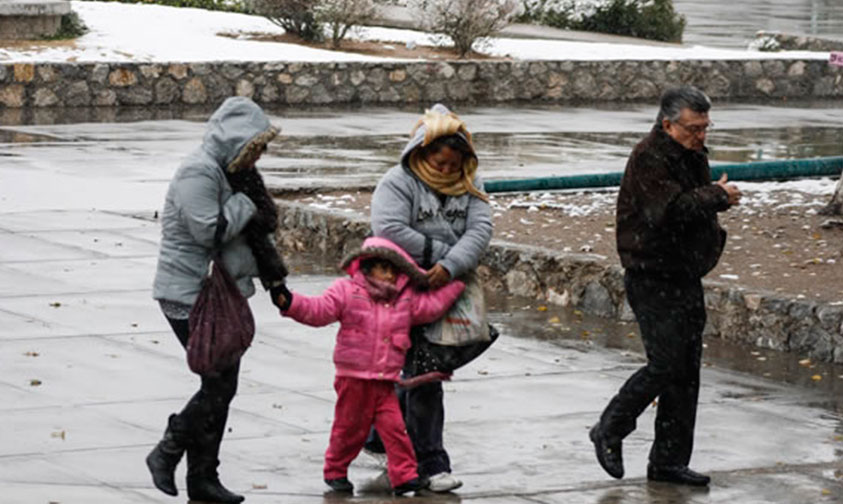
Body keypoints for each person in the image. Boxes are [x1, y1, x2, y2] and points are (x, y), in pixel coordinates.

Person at [589, 85, 742, 487]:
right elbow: (670, 209)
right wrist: (718, 195)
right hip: (652, 275)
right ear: (668, 124)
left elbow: (691, 208)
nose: (702, 136)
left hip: (684, 274)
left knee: (686, 371)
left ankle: (669, 461)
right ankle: (611, 426)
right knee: (666, 363)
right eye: (694, 128)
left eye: (706, 127)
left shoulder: (690, 154)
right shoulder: (649, 156)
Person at [147, 96, 289, 503]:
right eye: (257, 146)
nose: (261, 155)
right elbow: (209, 231)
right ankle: (168, 449)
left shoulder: (234, 172)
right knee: (217, 384)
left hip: (218, 293)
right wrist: (246, 201)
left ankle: (202, 480)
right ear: (239, 142)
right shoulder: (199, 171)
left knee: (221, 385)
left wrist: (273, 280)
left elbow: (258, 236)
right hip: (188, 292)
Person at [273, 236, 465, 495]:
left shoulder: (404, 300)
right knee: (348, 430)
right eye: (382, 269)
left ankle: (405, 476)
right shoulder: (346, 291)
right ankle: (335, 470)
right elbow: (318, 310)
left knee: (396, 431)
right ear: (366, 267)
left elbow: (430, 307)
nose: (387, 276)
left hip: (385, 382)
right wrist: (290, 302)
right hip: (353, 380)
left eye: (392, 271)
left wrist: (457, 284)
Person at [366, 103, 493, 492]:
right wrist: (438, 255)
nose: (443, 171)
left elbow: (479, 229)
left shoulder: (471, 187)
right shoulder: (397, 182)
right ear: (421, 154)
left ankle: (386, 442)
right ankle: (429, 461)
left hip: (445, 291)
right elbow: (388, 228)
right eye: (437, 163)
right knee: (418, 375)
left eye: (451, 165)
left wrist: (451, 267)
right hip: (399, 291)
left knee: (421, 373)